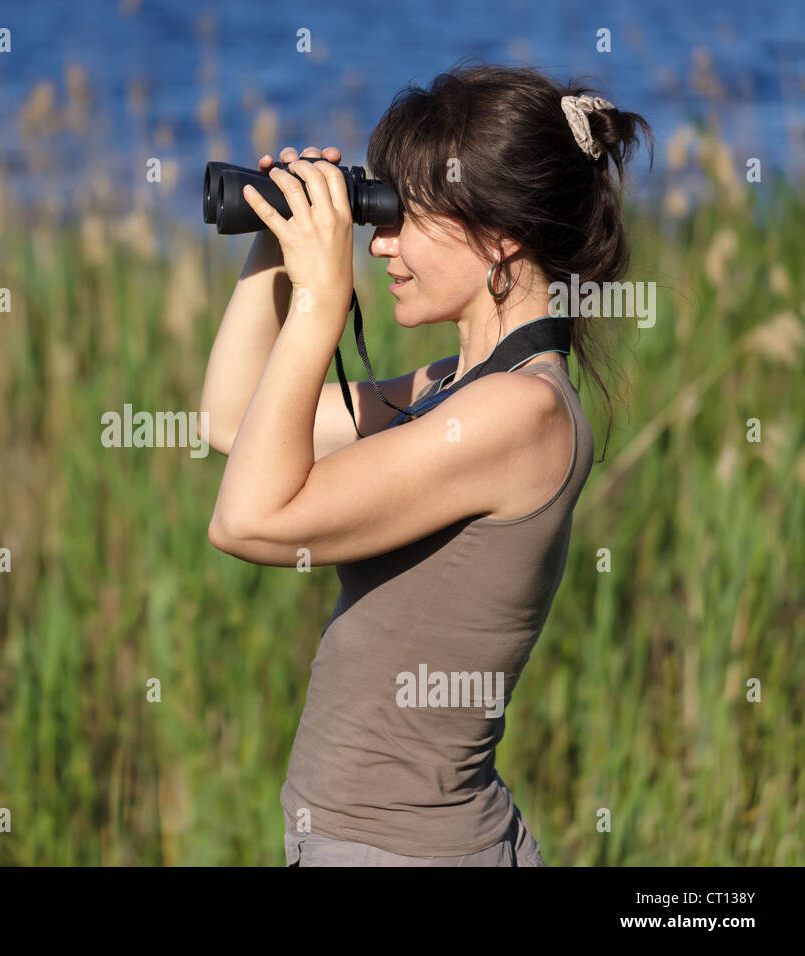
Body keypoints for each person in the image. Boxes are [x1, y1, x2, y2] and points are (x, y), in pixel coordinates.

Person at [199, 62, 652, 866]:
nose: (380, 243)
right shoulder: (455, 387)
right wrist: (276, 242)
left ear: (499, 235)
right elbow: (233, 421)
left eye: (405, 216)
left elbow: (249, 520)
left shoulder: (520, 413)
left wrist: (318, 296)